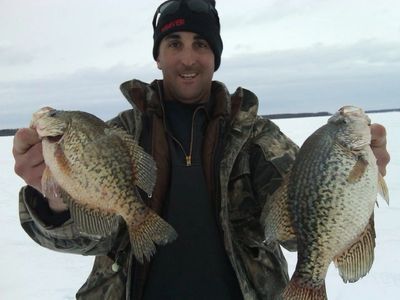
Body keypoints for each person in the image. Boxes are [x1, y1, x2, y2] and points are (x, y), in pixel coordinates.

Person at [12, 0, 390, 299]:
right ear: (158, 56)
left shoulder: (258, 137)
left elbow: (298, 231)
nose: (188, 58)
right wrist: (57, 199)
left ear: (215, 56)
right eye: (174, 44)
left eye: (201, 44)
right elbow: (95, 237)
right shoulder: (114, 135)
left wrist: (349, 184)